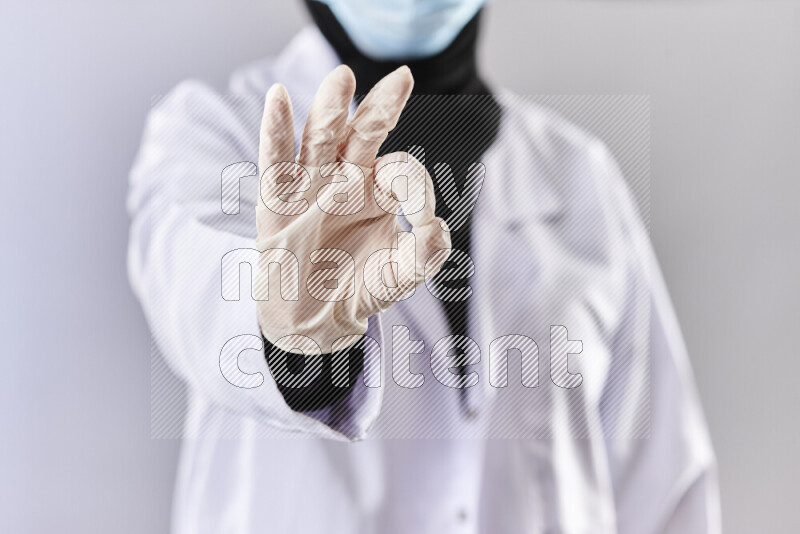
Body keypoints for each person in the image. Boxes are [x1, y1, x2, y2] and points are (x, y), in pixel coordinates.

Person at [127, 1, 721, 532]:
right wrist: (294, 343)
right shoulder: (214, 133)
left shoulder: (579, 173)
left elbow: (665, 485)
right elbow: (195, 288)